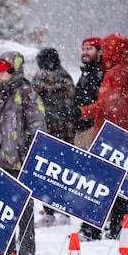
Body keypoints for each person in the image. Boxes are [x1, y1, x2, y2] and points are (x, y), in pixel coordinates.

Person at [0, 51, 46, 255]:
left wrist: (31, 157)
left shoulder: (27, 93)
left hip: (21, 164)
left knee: (24, 215)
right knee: (1, 215)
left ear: (14, 70)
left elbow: (38, 129)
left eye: (2, 69)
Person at [77, 33, 128, 240]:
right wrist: (126, 118)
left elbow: (105, 104)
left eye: (105, 49)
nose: (103, 54)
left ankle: (91, 229)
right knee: (119, 183)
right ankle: (119, 227)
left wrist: (82, 111)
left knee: (99, 181)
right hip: (126, 134)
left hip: (107, 133)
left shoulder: (114, 74)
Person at [32, 46, 76, 227]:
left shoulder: (39, 77)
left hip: (47, 130)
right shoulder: (66, 76)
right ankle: (64, 211)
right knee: (62, 171)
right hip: (65, 131)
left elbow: (34, 98)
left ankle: (50, 211)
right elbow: (72, 101)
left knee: (45, 172)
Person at [72, 37, 104, 240]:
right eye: (83, 48)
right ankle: (88, 222)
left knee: (92, 178)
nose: (85, 52)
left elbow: (103, 103)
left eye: (90, 48)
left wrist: (83, 112)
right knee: (83, 177)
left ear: (99, 51)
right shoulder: (86, 72)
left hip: (93, 127)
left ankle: (93, 225)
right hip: (81, 128)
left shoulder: (101, 73)